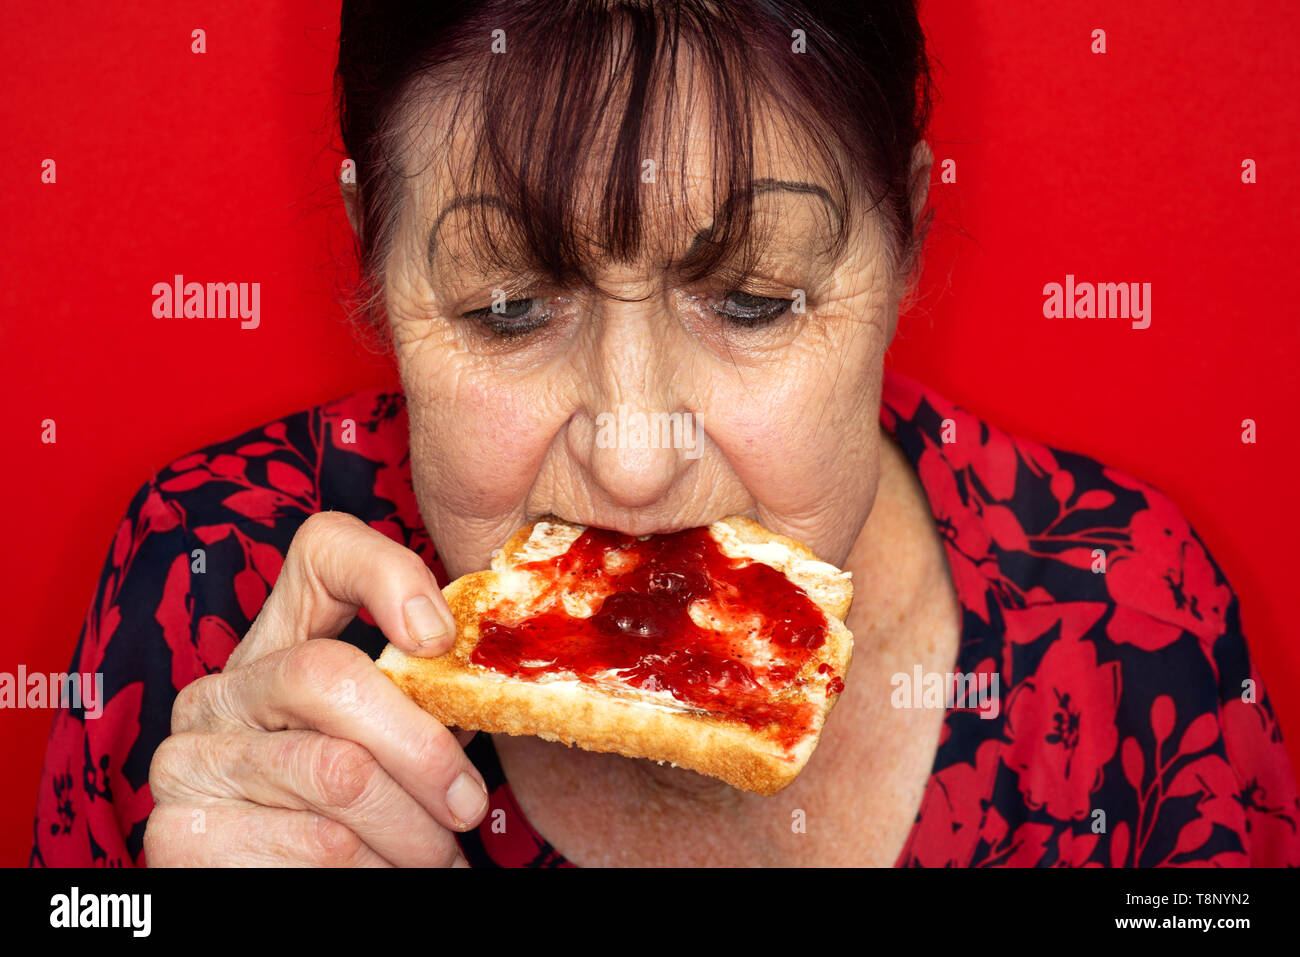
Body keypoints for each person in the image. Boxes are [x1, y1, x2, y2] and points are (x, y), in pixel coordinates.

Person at [33, 0, 1300, 867]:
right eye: (507, 306)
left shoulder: (1136, 623)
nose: (634, 461)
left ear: (906, 240)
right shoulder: (203, 595)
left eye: (752, 299)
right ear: (375, 259)